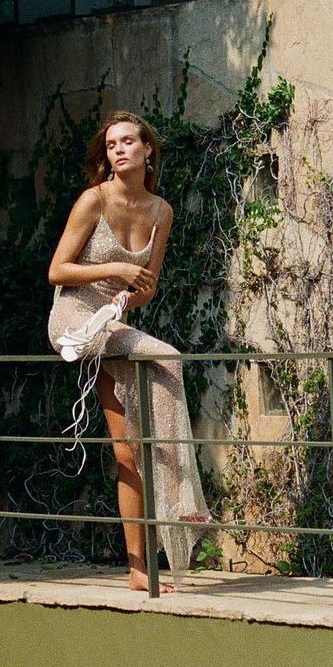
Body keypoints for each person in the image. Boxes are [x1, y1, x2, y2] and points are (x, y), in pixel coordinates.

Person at [47, 109, 213, 592]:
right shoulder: (93, 200)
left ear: (147, 150)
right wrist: (114, 270)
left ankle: (138, 569)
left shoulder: (161, 211)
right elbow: (57, 271)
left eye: (127, 142)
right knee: (168, 357)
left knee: (128, 451)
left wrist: (125, 297)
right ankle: (183, 494)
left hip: (113, 325)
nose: (118, 150)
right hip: (75, 320)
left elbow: (148, 286)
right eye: (111, 145)